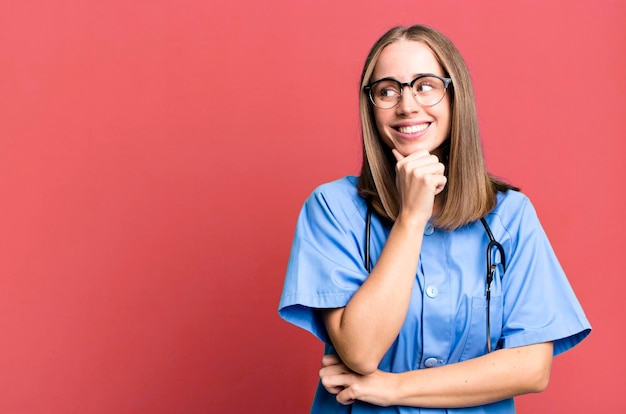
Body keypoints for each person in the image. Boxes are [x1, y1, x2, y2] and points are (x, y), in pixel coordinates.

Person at [278, 24, 591, 413]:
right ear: (371, 106)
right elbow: (360, 351)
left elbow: (531, 369)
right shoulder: (331, 208)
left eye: (425, 85)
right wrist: (411, 217)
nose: (407, 105)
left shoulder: (510, 215)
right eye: (387, 90)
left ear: (454, 96)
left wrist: (391, 389)